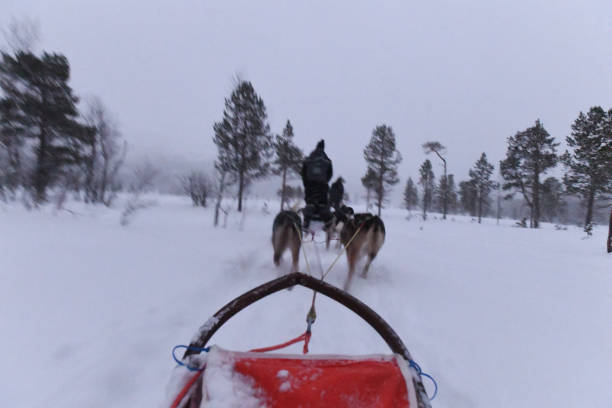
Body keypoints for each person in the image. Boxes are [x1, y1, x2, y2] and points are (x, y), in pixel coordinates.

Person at [301, 139, 333, 230]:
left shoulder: (309, 158)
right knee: (322, 203)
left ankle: (306, 221)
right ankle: (327, 222)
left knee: (310, 202)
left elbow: (303, 172)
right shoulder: (327, 160)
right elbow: (330, 174)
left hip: (310, 186)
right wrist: (325, 182)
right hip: (322, 186)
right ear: (323, 148)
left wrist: (306, 184)